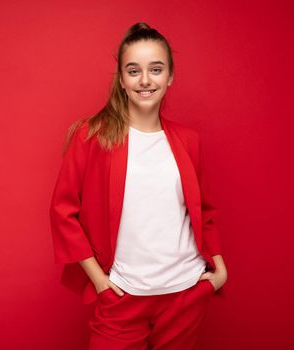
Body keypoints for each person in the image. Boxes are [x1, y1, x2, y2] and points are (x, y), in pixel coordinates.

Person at [49, 22, 228, 350]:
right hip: (122, 294)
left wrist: (219, 269)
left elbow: (204, 209)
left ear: (170, 76)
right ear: (121, 79)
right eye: (134, 70)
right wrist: (99, 281)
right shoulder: (92, 136)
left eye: (156, 69)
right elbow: (63, 212)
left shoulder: (188, 141)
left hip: (184, 293)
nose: (145, 80)